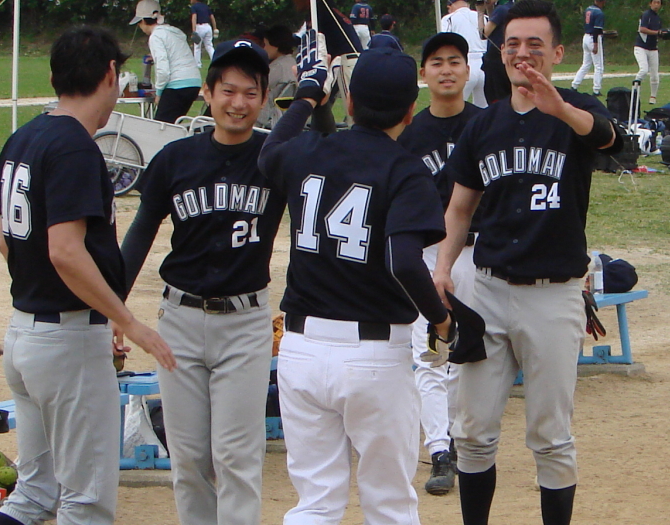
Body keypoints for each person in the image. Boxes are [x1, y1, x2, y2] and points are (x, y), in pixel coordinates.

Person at [432, 1, 623, 524]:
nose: (523, 54)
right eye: (513, 44)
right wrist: (443, 268)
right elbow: (459, 207)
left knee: (551, 435)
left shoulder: (576, 109)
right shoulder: (484, 124)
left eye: (535, 45)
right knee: (472, 432)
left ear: (557, 53)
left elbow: (613, 140)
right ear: (500, 53)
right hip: (488, 289)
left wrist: (559, 109)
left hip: (554, 294)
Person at [259, 33, 454, 525]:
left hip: (301, 349)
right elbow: (404, 262)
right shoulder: (406, 170)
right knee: (389, 504)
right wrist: (440, 319)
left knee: (315, 503)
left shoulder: (308, 149)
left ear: (349, 101)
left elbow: (270, 150)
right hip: (373, 355)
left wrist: (307, 95)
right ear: (410, 111)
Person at [0, 26, 176, 525]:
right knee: (85, 502)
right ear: (111, 74)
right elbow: (66, 252)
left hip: (25, 334)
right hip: (65, 342)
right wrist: (126, 321)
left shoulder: (24, 137)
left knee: (33, 495)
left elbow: (8, 241)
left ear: (54, 78)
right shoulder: (74, 147)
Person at [120, 39, 285, 525]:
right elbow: (141, 233)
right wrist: (114, 309)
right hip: (180, 320)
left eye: (251, 92)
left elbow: (322, 149)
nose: (238, 103)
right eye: (228, 90)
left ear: (264, 98)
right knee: (189, 455)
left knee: (237, 454)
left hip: (245, 322)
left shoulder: (276, 159)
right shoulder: (175, 159)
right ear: (207, 94)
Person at [398, 31, 484, 496]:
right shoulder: (411, 135)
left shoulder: (487, 125)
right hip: (430, 255)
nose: (446, 70)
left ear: (468, 70)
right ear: (423, 74)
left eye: (455, 61)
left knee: (472, 354)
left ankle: (468, 442)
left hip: (483, 252)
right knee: (430, 354)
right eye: (437, 62)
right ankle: (440, 449)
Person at [131, 0, 202, 123]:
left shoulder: (155, 36)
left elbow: (163, 69)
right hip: (193, 82)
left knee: (161, 127)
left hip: (177, 85)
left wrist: (158, 93)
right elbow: (176, 52)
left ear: (142, 21)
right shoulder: (172, 32)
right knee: (173, 125)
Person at [442, 0, 488, 107]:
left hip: (465, 62)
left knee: (455, 106)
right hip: (485, 64)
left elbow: (445, 43)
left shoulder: (449, 18)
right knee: (484, 109)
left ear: (450, 5)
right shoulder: (485, 17)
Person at [257, 25, 298, 128]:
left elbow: (256, 87)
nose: (263, 48)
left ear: (275, 45)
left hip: (263, 119)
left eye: (265, 45)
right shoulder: (292, 63)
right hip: (283, 118)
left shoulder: (277, 67)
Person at [478, 0, 515, 104]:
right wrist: (489, 9)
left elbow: (483, 34)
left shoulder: (500, 10)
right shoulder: (511, 8)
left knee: (495, 98)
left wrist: (480, 12)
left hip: (494, 61)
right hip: (505, 57)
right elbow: (496, 26)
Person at [571, 0, 606, 96]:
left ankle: (574, 85)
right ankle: (596, 90)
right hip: (593, 38)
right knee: (598, 66)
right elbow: (596, 29)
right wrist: (595, 44)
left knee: (586, 64)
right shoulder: (599, 12)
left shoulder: (588, 9)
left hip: (586, 36)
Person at [634, 0, 664, 104]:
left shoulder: (658, 18)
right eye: (654, 2)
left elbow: (659, 33)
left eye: (658, 3)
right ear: (650, 3)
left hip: (653, 48)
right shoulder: (646, 15)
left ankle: (653, 97)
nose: (656, 5)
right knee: (644, 69)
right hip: (641, 47)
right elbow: (642, 29)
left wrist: (663, 34)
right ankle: (634, 91)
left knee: (655, 75)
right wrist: (657, 32)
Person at [190, 0, 218, 67]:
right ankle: (215, 61)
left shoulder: (194, 7)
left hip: (199, 27)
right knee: (209, 46)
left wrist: (194, 31)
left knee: (197, 47)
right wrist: (215, 28)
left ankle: (198, 64)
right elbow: (212, 17)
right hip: (208, 27)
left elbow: (194, 17)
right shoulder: (206, 6)